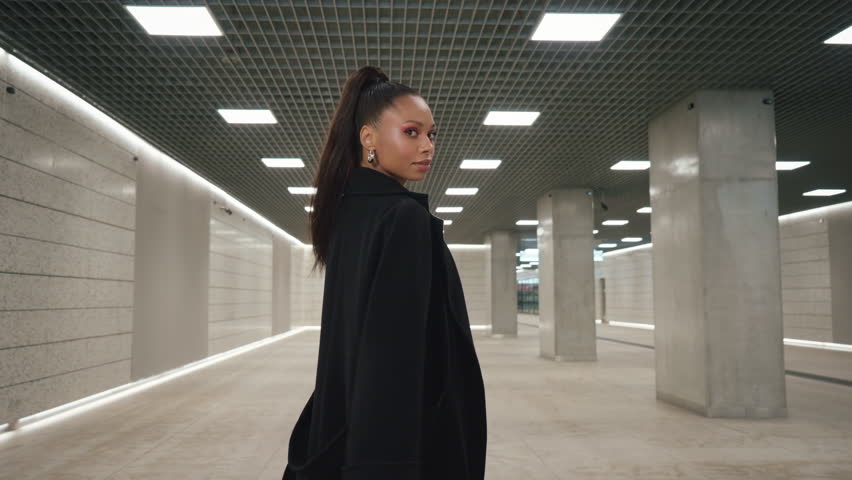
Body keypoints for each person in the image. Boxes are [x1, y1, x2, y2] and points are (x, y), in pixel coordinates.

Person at [281, 66, 487, 480]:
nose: (428, 146)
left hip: (346, 429)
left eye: (432, 134)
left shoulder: (346, 215)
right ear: (368, 138)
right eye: (412, 132)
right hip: (406, 445)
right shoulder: (402, 218)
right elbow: (391, 361)